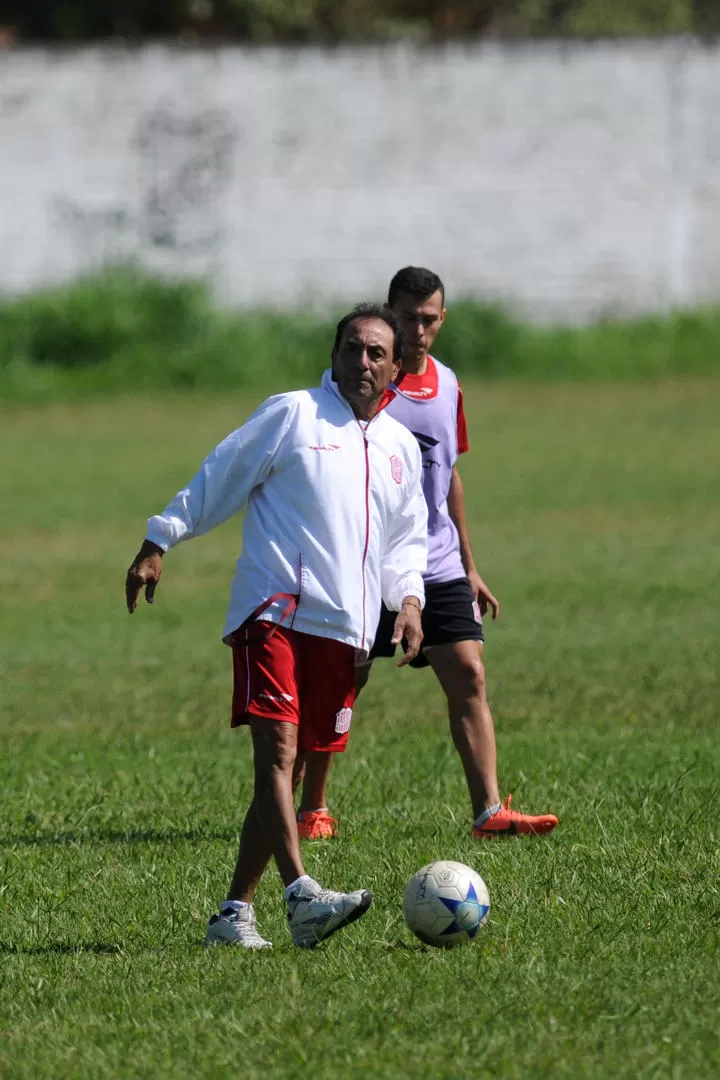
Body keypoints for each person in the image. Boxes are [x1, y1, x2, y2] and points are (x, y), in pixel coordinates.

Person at [125, 304, 428, 950]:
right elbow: (221, 474)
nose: (363, 362)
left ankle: (233, 914)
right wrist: (161, 539)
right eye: (352, 348)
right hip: (276, 611)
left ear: (397, 366)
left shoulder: (401, 446)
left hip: (346, 629)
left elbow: (407, 538)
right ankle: (302, 895)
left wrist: (408, 599)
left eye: (377, 353)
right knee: (278, 754)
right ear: (335, 353)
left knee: (286, 777)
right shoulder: (294, 414)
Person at [297, 268, 559, 840]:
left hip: (434, 561)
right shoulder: (358, 387)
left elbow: (450, 475)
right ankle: (311, 805)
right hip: (367, 564)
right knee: (345, 681)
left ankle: (488, 812)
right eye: (407, 317)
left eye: (429, 318)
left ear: (443, 320)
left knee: (469, 672)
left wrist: (469, 563)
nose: (418, 329)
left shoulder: (446, 384)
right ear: (387, 314)